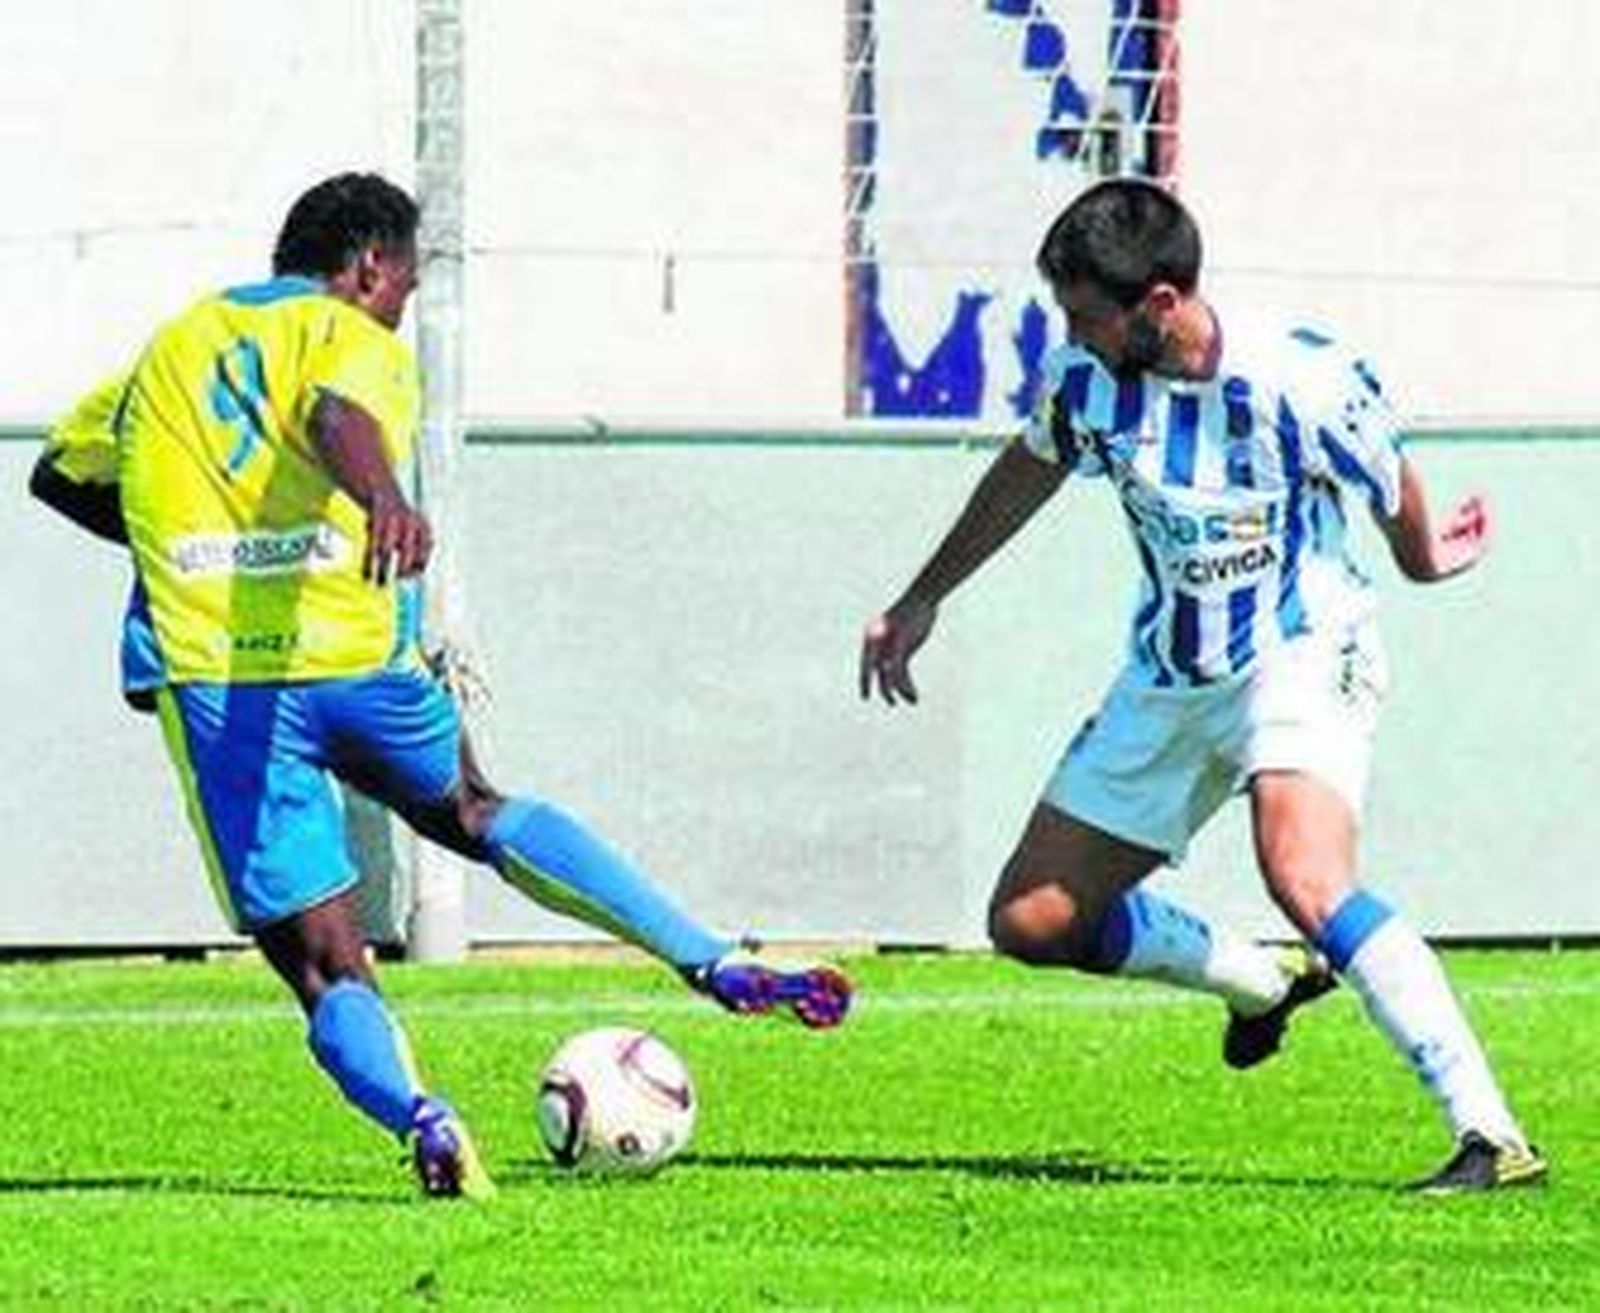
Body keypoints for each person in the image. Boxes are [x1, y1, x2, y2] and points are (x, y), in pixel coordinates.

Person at [31, 172, 850, 1201]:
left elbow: (59, 471)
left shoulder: (174, 347)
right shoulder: (349, 334)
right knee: (473, 806)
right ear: (369, 266)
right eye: (405, 288)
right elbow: (336, 412)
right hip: (356, 652)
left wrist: (190, 544)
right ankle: (714, 958)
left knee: (328, 965)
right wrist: (381, 494)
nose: (401, 307)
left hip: (224, 685)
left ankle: (425, 1116)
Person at [858, 178, 1543, 1193]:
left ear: (1162, 302)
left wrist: (1421, 560)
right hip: (1171, 677)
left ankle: (1492, 1133)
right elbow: (1030, 464)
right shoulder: (1085, 381)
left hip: (1304, 649)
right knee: (1031, 919)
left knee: (1301, 870)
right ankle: (1254, 981)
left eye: (1089, 315)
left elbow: (1387, 474)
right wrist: (924, 595)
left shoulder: (1299, 379)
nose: (1074, 335)